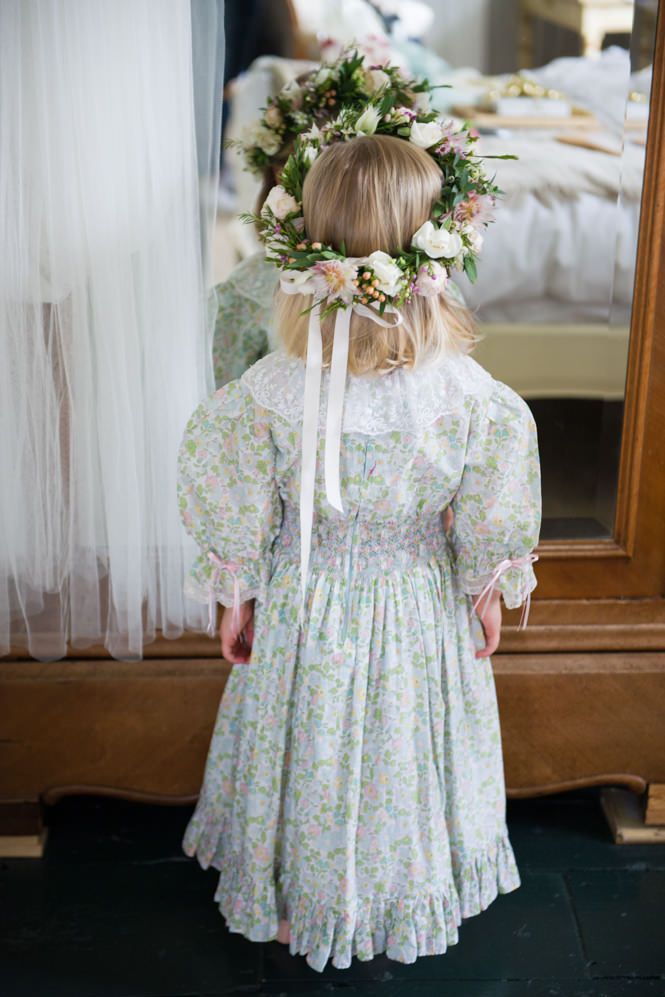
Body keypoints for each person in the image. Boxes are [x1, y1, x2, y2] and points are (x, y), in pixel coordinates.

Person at [177, 133, 541, 972]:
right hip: (417, 611)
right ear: (432, 246)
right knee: (403, 753)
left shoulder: (265, 395)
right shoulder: (469, 398)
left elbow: (234, 501)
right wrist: (483, 593)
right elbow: (490, 515)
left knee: (315, 748)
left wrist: (239, 594)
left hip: (310, 610)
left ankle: (302, 897)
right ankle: (401, 886)